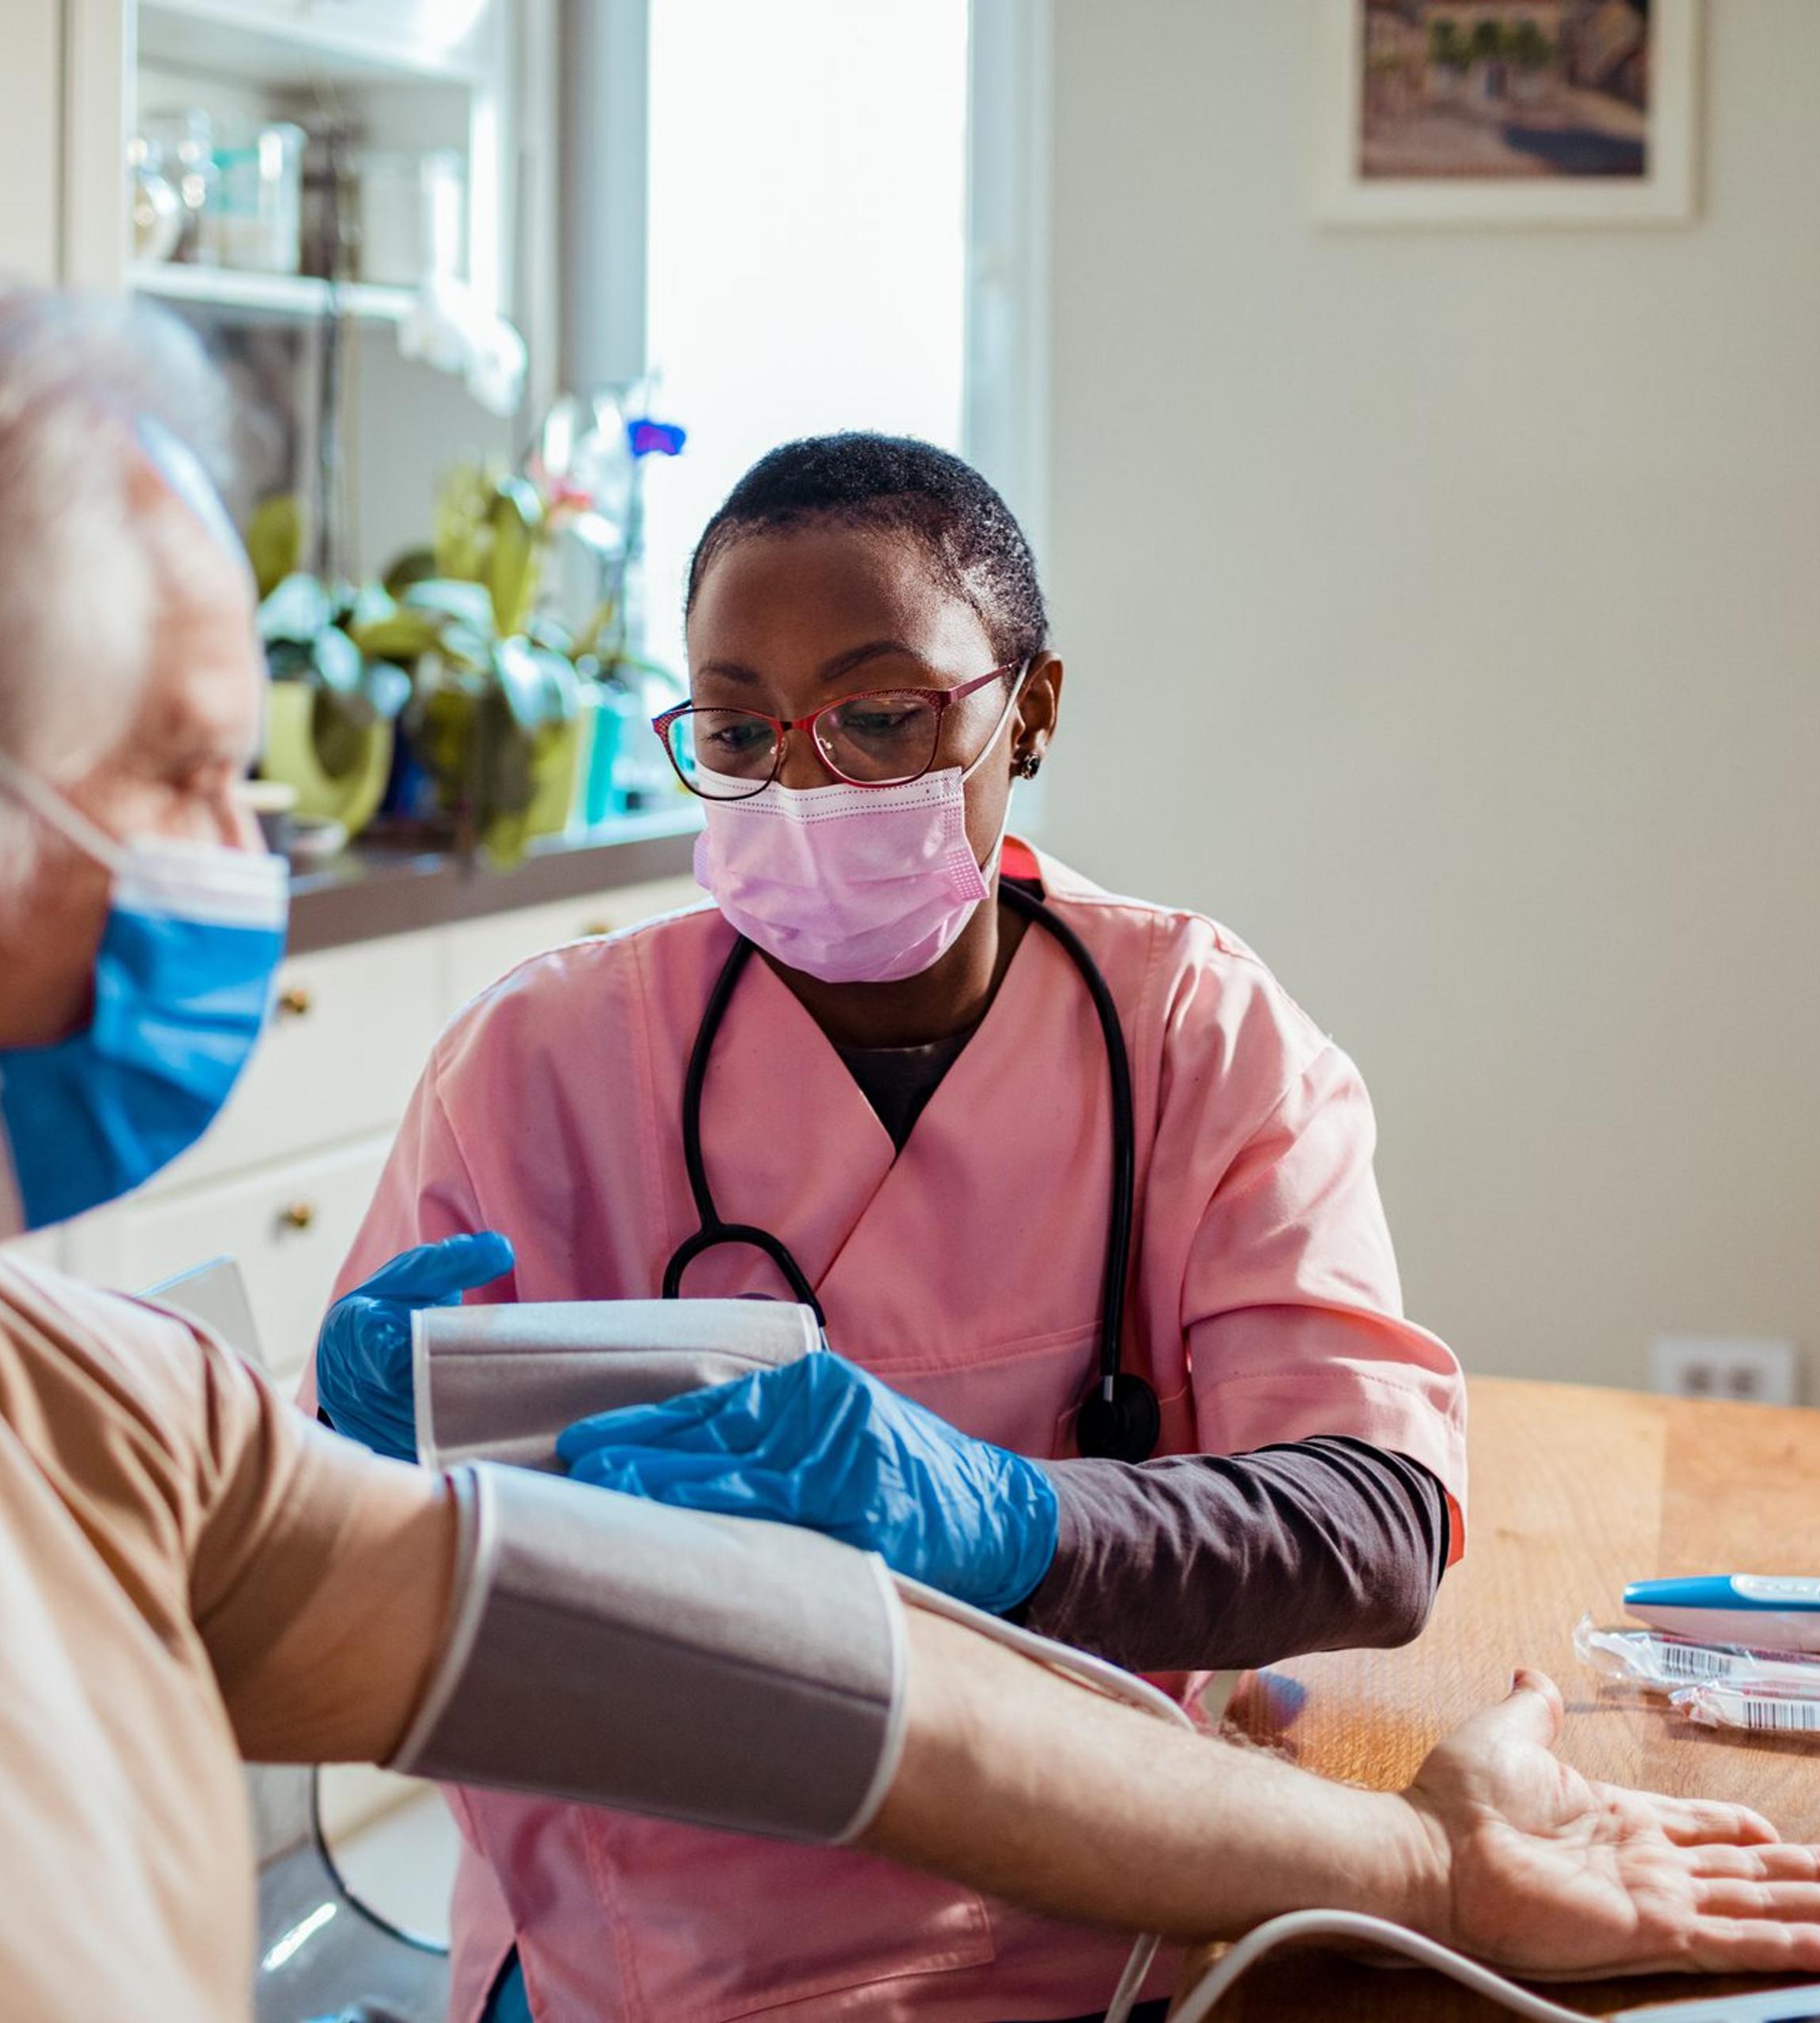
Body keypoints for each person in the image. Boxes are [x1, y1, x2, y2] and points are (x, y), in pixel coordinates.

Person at [0, 250, 1820, 2023]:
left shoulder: (31, 1388)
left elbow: (840, 1700)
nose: (252, 864)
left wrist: (1424, 1862)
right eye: (189, 772)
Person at [311, 437, 1465, 2019]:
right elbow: (348, 1588)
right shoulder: (541, 1062)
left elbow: (1373, 1524)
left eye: (875, 716)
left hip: (1107, 1904)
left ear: (1029, 708)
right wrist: (355, 1466)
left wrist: (1009, 1523)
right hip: (654, 1946)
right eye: (737, 727)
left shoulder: (1196, 1032)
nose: (804, 784)